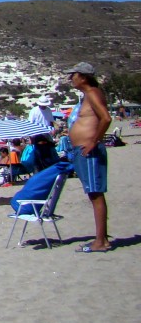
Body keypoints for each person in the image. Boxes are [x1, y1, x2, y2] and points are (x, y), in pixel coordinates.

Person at [66, 62, 113, 253]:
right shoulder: (87, 95)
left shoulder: (93, 93)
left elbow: (106, 118)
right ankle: (100, 238)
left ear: (83, 76)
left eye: (74, 75)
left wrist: (94, 141)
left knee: (95, 193)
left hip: (89, 150)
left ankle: (101, 241)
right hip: (82, 150)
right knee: (92, 193)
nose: (71, 78)